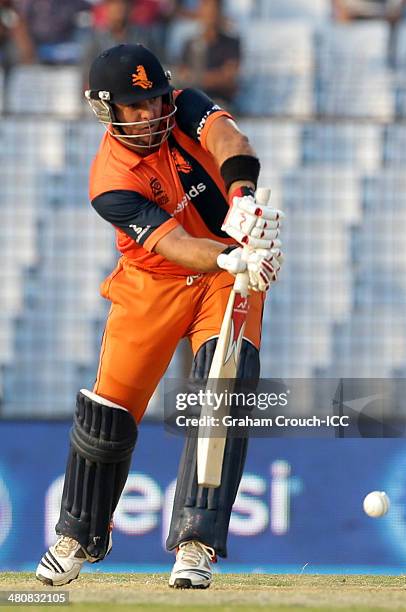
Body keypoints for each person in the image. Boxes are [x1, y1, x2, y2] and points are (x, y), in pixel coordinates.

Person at [35, 43, 283, 589]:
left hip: (224, 279)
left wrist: (242, 197)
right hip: (157, 281)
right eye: (136, 105)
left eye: (154, 100)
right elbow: (173, 245)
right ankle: (77, 534)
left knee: (225, 385)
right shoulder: (110, 182)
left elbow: (229, 140)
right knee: (110, 410)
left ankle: (196, 544)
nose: (151, 113)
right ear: (107, 110)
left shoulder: (183, 105)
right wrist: (231, 253)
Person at [177, 0, 241, 109]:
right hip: (193, 101)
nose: (210, 15)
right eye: (206, 10)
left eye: (213, 10)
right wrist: (212, 77)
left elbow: (228, 79)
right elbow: (182, 75)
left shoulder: (231, 43)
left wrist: (195, 77)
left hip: (220, 102)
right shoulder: (190, 43)